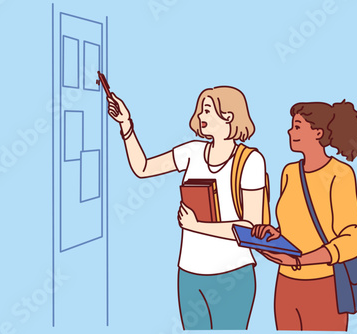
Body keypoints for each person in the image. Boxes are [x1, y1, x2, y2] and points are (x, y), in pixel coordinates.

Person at [107, 86, 272, 330]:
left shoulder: (250, 160)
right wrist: (126, 125)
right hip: (189, 273)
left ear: (228, 115)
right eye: (200, 111)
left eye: (207, 110)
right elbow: (143, 168)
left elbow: (249, 227)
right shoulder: (192, 152)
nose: (200, 117)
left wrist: (197, 226)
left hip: (232, 274)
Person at [252, 100, 357, 331]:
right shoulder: (289, 172)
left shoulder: (340, 174)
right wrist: (274, 234)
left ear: (318, 132)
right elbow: (296, 226)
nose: (290, 131)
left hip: (325, 284)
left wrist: (299, 261)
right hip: (286, 284)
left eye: (297, 126)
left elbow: (351, 241)